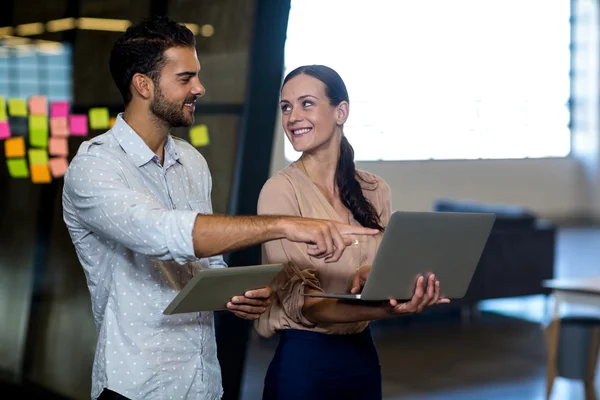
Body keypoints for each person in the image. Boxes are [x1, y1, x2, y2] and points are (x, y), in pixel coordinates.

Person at [62, 18, 380, 400]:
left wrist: (239, 295)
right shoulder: (95, 166)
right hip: (136, 387)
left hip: (204, 383)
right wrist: (284, 225)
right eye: (185, 78)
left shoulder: (192, 162)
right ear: (143, 85)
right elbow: (165, 233)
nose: (199, 88)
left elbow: (207, 267)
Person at [255, 65, 451, 400]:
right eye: (286, 107)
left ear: (341, 111)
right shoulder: (279, 192)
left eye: (306, 103)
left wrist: (389, 281)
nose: (292, 117)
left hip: (362, 355)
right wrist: (388, 310)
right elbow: (309, 306)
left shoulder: (375, 189)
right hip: (304, 361)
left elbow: (372, 273)